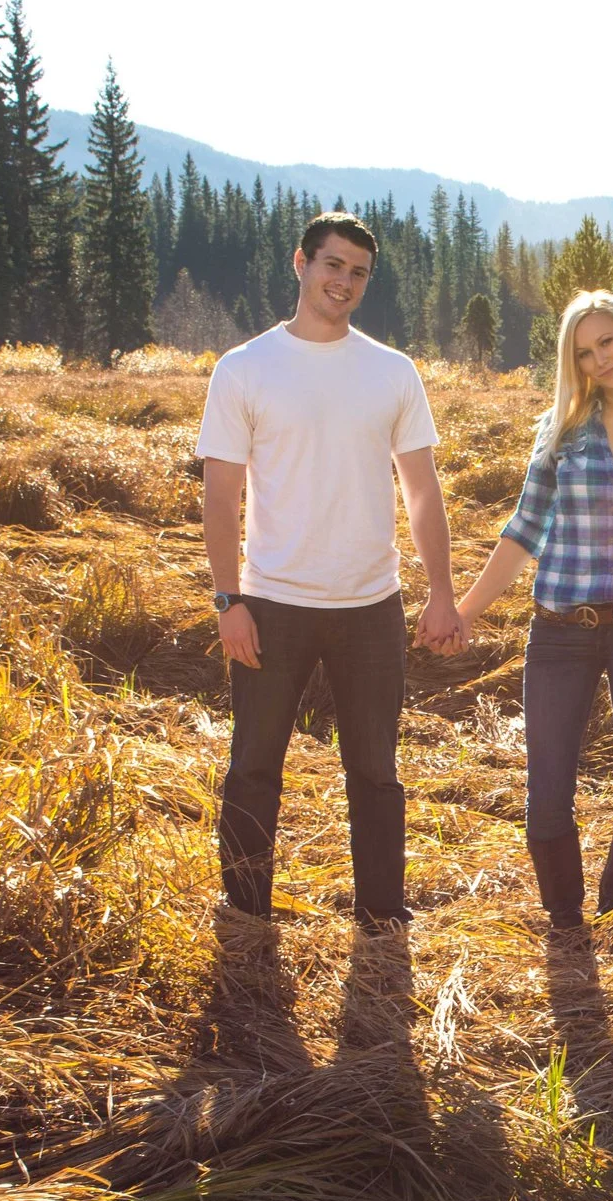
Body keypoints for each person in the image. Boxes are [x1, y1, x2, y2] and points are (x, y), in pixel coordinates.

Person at [196, 210, 459, 931]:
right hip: (272, 603)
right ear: (301, 264)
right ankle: (246, 913)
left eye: (358, 272)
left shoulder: (392, 372)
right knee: (254, 766)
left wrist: (441, 592)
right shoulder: (245, 369)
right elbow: (222, 496)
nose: (344, 281)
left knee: (375, 773)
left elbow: (423, 488)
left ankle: (381, 916)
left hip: (371, 606)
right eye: (333, 265)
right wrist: (229, 601)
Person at [440, 290, 613, 932]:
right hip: (560, 632)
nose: (600, 360)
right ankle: (566, 920)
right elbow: (523, 529)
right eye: (584, 352)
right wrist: (465, 611)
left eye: (608, 342)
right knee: (546, 790)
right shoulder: (560, 429)